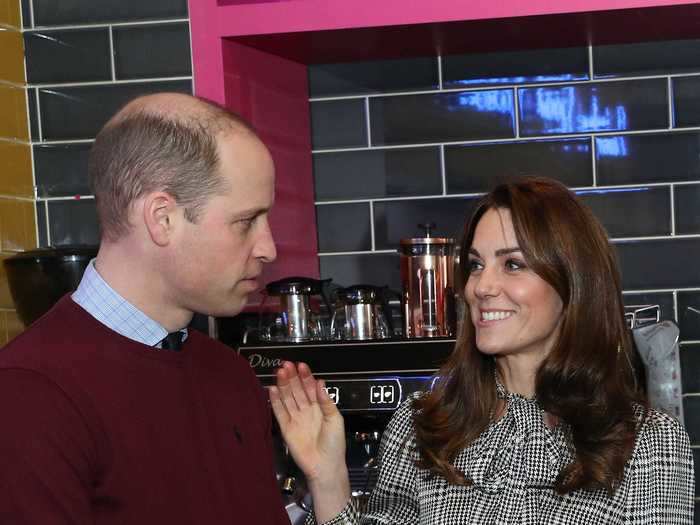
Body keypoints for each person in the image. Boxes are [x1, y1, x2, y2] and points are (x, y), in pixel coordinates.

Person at [270, 177, 695, 524]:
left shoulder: (648, 443)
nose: (481, 287)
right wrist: (328, 479)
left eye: (512, 264)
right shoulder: (423, 422)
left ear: (573, 286)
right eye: (476, 264)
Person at [0, 93, 291, 524]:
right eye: (246, 221)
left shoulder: (230, 375)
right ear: (162, 218)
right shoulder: (29, 394)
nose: (269, 248)